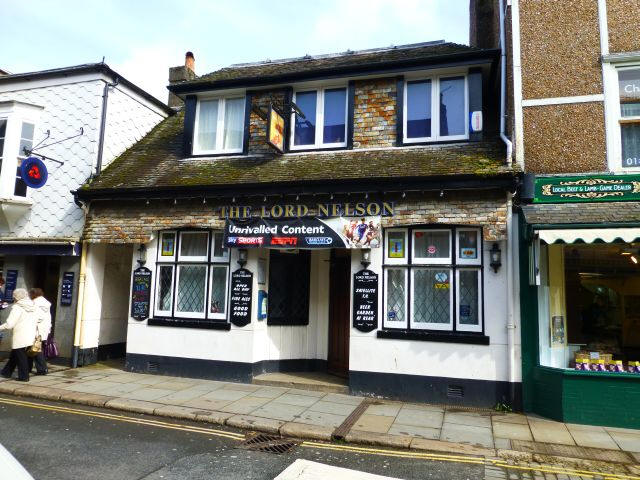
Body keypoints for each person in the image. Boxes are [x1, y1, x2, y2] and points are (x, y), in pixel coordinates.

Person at [0, 288, 37, 382]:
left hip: (20, 335)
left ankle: (24, 377)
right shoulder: (32, 305)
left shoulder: (17, 307)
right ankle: (6, 372)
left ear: (16, 297)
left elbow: (9, 324)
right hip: (30, 334)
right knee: (15, 355)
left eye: (14, 296)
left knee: (20, 356)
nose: (13, 298)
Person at [28, 288, 51, 375]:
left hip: (36, 330)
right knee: (32, 349)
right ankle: (28, 367)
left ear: (33, 294)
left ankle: (42, 369)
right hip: (43, 330)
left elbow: (38, 317)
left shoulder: (35, 303)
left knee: (36, 349)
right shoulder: (45, 302)